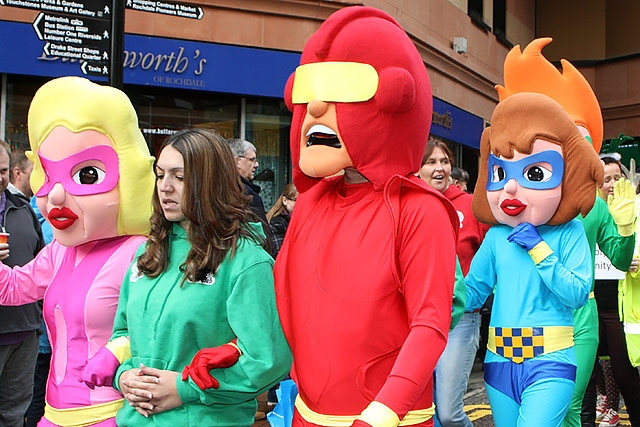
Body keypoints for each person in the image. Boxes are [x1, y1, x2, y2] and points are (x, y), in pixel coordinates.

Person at [275, 7, 459, 426]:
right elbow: (289, 304)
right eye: (309, 91)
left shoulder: (419, 209)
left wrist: (383, 411)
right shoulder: (311, 201)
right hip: (308, 413)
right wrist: (238, 348)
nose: (317, 105)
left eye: (343, 89)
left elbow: (430, 325)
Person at [81, 128, 291, 426]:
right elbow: (124, 335)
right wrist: (123, 376)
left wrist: (186, 388)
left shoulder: (245, 261)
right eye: (160, 174)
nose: (165, 187)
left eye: (179, 177)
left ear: (211, 182)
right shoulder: (146, 253)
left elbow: (266, 360)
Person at [490, 37, 635, 427]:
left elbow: (620, 258)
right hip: (518, 321)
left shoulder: (595, 206)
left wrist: (626, 226)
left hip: (576, 313)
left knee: (568, 402)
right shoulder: (509, 197)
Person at [0, 76, 155, 426]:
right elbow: (13, 288)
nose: (55, 195)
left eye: (86, 175)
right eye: (50, 175)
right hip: (55, 413)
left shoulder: (140, 253)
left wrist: (116, 353)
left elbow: (158, 328)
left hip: (113, 413)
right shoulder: (59, 251)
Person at [465, 91, 602, 427]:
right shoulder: (497, 237)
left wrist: (539, 249)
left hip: (551, 360)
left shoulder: (569, 231)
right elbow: (470, 294)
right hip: (499, 361)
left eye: (534, 174)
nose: (510, 188)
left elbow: (577, 293)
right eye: (500, 173)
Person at [418, 140, 489, 427]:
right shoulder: (409, 203)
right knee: (420, 411)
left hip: (459, 320)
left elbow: (492, 252)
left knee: (448, 412)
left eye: (444, 161)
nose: (439, 168)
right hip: (417, 320)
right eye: (431, 162)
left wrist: (471, 294)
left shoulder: (471, 206)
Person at [581, 154, 640, 427]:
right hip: (587, 304)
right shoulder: (582, 210)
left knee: (625, 371)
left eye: (618, 178)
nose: (613, 184)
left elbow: (623, 252)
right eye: (606, 179)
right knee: (587, 376)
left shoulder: (632, 211)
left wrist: (633, 256)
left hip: (620, 308)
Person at [0, 140, 44, 427]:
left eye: (2, 170)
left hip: (25, 331)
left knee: (15, 413)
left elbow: (42, 262)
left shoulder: (23, 208)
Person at [266, 182, 298, 258]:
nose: (300, 204)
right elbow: (278, 254)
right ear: (284, 200)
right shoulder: (276, 222)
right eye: (295, 200)